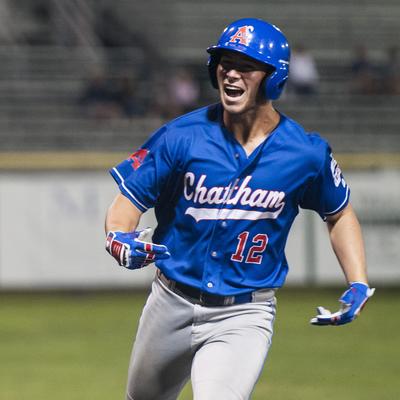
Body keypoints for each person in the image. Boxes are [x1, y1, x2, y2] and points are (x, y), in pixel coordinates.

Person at [104, 18, 375, 400]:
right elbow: (127, 203)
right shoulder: (181, 136)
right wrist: (119, 237)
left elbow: (340, 213)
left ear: (275, 77)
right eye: (224, 63)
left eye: (246, 66)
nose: (231, 74)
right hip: (170, 301)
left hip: (243, 313)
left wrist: (358, 280)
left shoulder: (305, 153)